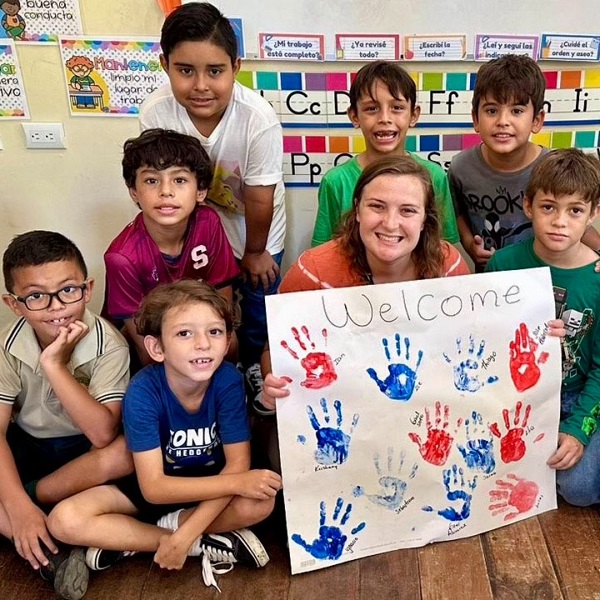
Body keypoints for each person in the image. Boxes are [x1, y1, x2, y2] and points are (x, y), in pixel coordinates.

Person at [48, 281, 282, 591]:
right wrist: (185, 537)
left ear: (227, 342)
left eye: (214, 332)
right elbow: (154, 488)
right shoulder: (143, 391)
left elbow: (237, 464)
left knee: (261, 503)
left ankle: (127, 540)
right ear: (157, 348)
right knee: (63, 520)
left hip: (210, 489)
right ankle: (197, 543)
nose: (202, 344)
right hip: (155, 487)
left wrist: (234, 485)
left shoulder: (227, 379)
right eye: (185, 333)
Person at [260, 156, 470, 470]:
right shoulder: (314, 271)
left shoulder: (448, 265)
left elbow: (475, 337)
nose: (390, 223)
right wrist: (273, 381)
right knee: (282, 456)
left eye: (408, 210)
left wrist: (539, 331)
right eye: (377, 206)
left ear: (426, 219)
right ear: (357, 209)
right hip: (343, 416)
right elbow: (272, 349)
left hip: (420, 412)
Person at [139, 2, 286, 409]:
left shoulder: (258, 118)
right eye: (185, 70)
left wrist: (256, 252)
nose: (200, 85)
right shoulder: (156, 112)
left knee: (257, 311)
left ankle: (256, 369)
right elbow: (155, 178)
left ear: (236, 66)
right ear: (165, 64)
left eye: (215, 71)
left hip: (254, 234)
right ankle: (220, 372)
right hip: (194, 237)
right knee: (203, 313)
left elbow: (259, 195)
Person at [0, 231, 131, 600]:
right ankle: (46, 549)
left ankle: (30, 505)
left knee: (125, 454)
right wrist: (18, 508)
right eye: (37, 296)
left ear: (88, 289)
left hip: (85, 456)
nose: (57, 307)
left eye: (68, 290)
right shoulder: (6, 347)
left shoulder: (109, 345)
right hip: (28, 445)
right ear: (15, 304)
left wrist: (55, 365)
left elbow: (103, 433)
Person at [486, 148, 600, 507]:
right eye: (549, 207)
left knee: (577, 488)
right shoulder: (504, 264)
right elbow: (487, 340)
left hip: (580, 394)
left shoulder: (596, 280)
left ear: (593, 214)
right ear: (528, 205)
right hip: (523, 394)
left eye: (575, 210)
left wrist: (578, 429)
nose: (560, 221)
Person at [448, 54, 600, 271]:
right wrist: (469, 243)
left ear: (536, 121)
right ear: (475, 119)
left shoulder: (554, 169)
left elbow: (576, 218)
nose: (503, 122)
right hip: (491, 281)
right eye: (491, 110)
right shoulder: (460, 167)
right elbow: (458, 211)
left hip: (545, 280)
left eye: (517, 111)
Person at [104, 128, 239, 369]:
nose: (166, 191)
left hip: (198, 318)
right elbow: (143, 342)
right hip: (153, 333)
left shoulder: (208, 222)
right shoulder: (122, 257)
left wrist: (217, 340)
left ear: (200, 191)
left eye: (179, 180)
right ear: (134, 191)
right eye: (152, 180)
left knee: (232, 346)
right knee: (155, 365)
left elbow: (222, 295)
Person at [311, 60, 459, 248]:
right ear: (354, 116)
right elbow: (322, 252)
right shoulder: (336, 182)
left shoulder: (434, 177)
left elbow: (445, 248)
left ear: (413, 115)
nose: (385, 119)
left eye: (397, 107)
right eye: (371, 108)